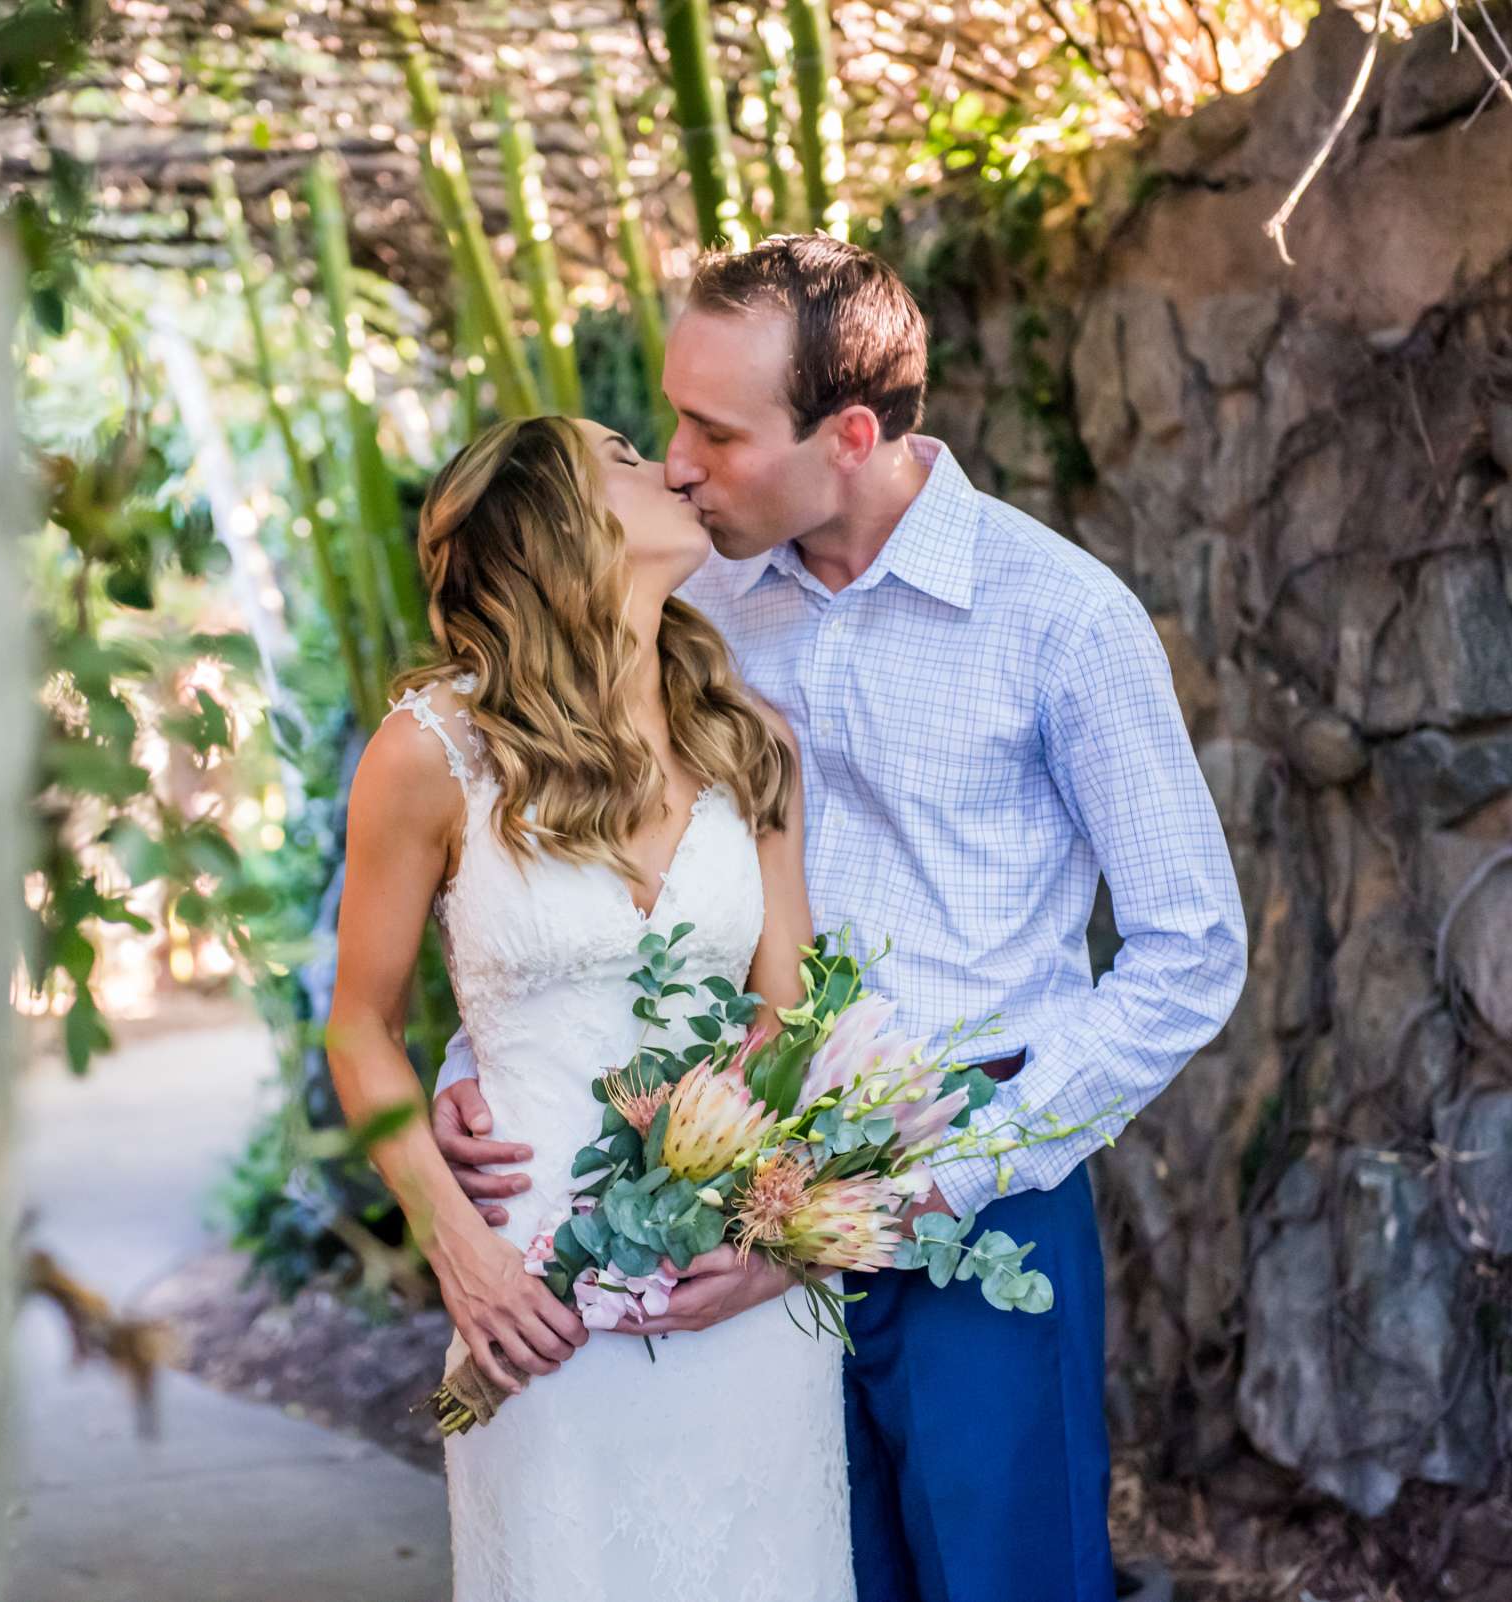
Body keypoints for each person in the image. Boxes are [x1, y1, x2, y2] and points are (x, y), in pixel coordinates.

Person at [431, 234, 1249, 1602]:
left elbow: (1190, 951)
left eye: (715, 430)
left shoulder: (1059, 620)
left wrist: (936, 1181)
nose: (678, 463)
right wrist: (491, 1067)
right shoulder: (679, 600)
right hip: (703, 1203)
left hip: (967, 1193)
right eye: (670, 423)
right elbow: (578, 862)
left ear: (851, 432)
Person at [326, 413, 854, 1602]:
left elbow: (795, 1023)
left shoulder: (748, 742)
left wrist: (775, 1238)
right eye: (621, 458)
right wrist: (459, 1256)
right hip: (533, 1302)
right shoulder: (429, 755)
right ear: (552, 529)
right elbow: (359, 1027)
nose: (669, 464)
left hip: (736, 1295)